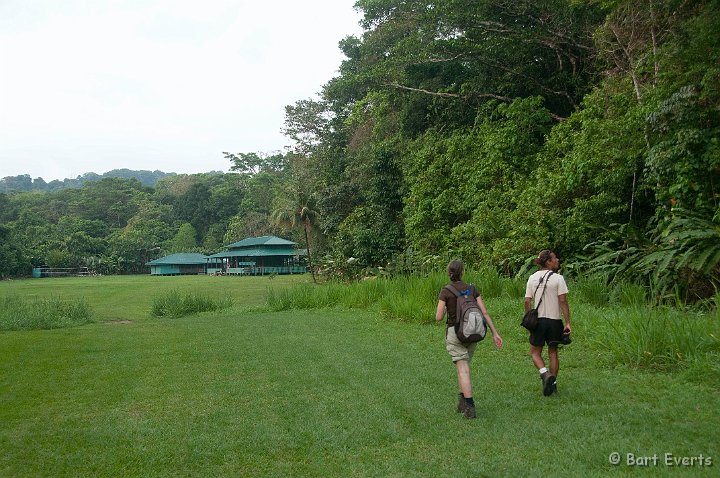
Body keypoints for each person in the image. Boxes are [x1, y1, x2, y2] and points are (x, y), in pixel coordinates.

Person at [435, 260, 503, 419]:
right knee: (463, 367)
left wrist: (446, 309)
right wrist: (495, 333)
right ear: (463, 272)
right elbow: (484, 312)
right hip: (473, 333)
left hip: (455, 333)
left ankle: (470, 406)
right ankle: (462, 402)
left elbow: (438, 317)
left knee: (462, 369)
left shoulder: (446, 291)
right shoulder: (472, 289)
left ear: (449, 273)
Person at [524, 250, 571, 396]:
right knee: (553, 352)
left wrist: (529, 317)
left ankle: (545, 374)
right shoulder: (558, 279)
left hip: (538, 322)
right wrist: (568, 322)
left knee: (535, 352)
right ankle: (553, 384)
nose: (557, 260)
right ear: (548, 262)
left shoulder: (532, 278)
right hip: (554, 321)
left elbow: (527, 300)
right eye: (554, 258)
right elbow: (562, 301)